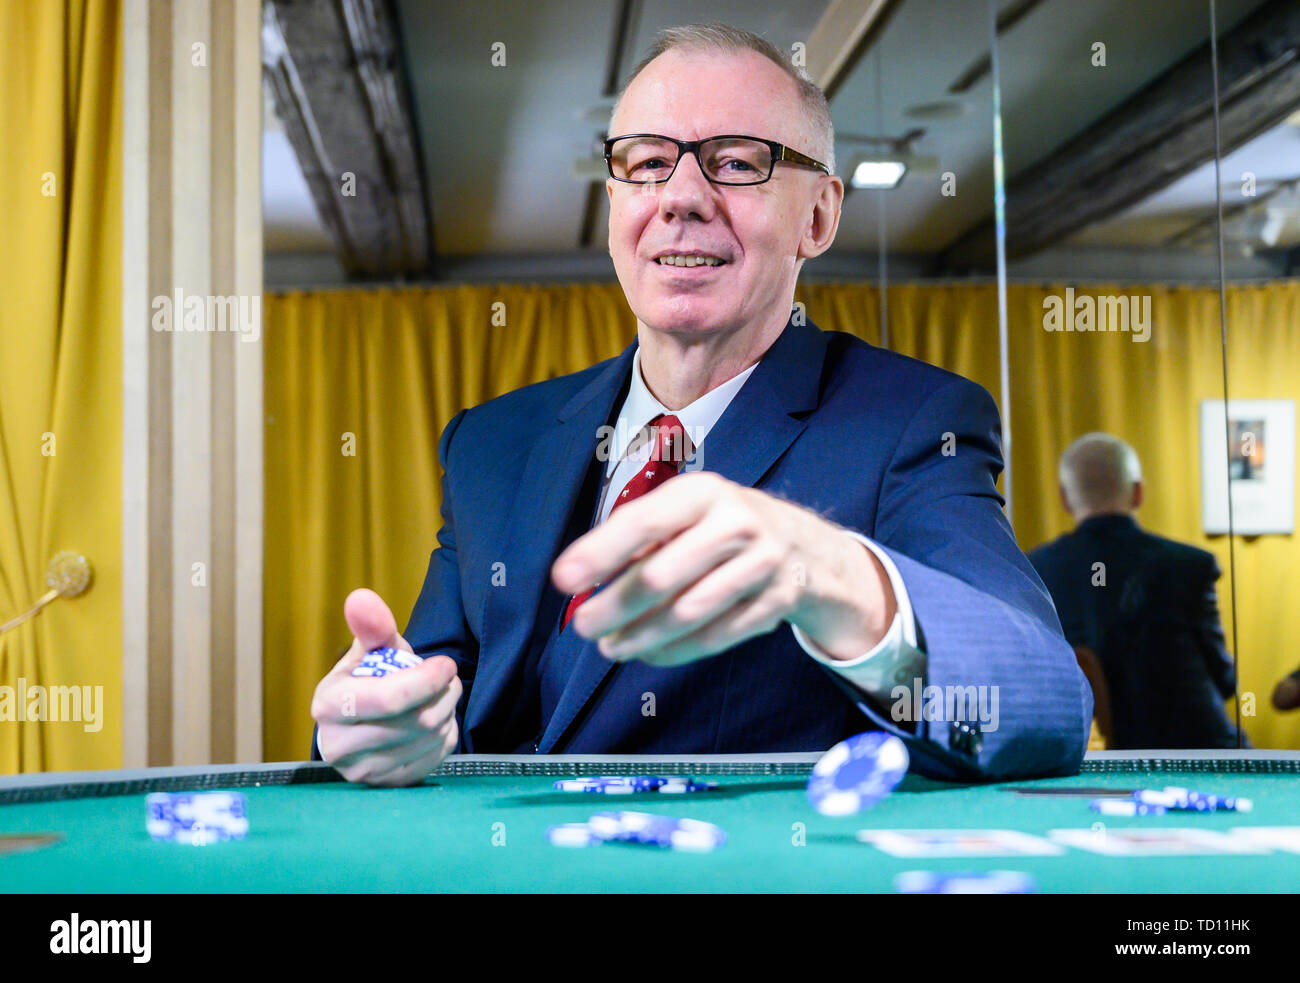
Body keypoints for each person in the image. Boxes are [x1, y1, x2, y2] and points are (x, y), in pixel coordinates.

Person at [311, 23, 1091, 786]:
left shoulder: (912, 423)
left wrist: (825, 568)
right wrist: (380, 721)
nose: (682, 196)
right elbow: (428, 689)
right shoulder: (490, 442)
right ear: (616, 205)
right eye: (647, 162)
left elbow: (1043, 700)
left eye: (738, 163)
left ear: (818, 216)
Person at [1029, 433, 1245, 749]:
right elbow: (1225, 681)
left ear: (1064, 498)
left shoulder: (1035, 570)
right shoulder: (1191, 565)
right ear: (1138, 492)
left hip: (1090, 760)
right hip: (1198, 753)